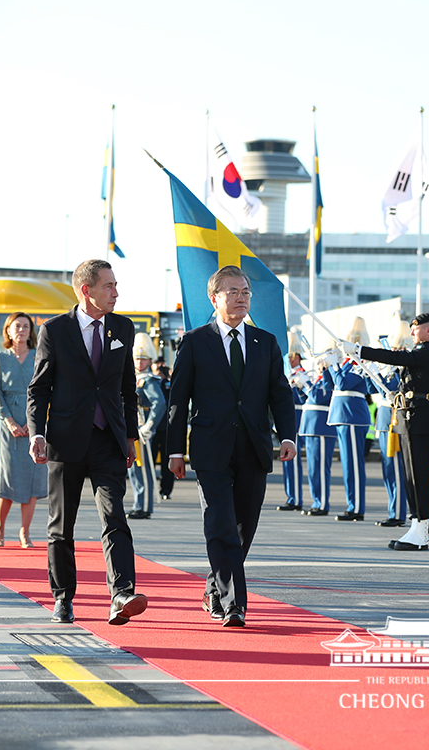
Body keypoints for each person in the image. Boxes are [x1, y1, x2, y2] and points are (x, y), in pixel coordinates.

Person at [166, 265, 297, 628]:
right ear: (214, 298)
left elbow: (280, 394)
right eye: (233, 292)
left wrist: (287, 436)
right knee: (220, 522)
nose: (241, 298)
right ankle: (233, 603)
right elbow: (178, 400)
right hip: (211, 448)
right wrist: (175, 451)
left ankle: (214, 585)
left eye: (245, 292)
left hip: (254, 446)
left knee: (244, 527)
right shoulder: (194, 341)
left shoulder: (265, 342)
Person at [27, 259, 144, 627]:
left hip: (108, 441)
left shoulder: (123, 327)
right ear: (86, 290)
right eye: (109, 286)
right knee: (61, 526)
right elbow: (39, 388)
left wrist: (129, 437)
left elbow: (127, 388)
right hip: (65, 441)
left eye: (116, 285)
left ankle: (121, 594)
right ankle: (63, 598)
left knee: (115, 517)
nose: (116, 292)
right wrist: (37, 433)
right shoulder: (54, 330)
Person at [343, 313, 429, 551]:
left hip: (422, 418)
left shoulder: (428, 351)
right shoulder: (422, 352)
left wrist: (360, 350)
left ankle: (422, 530)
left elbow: (395, 357)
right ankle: (415, 524)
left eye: (415, 330)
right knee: (410, 475)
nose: (411, 334)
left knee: (420, 475)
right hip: (410, 415)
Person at [0, 312, 47, 549]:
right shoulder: (0, 358)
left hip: (34, 424)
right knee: (7, 479)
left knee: (33, 480)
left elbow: (46, 389)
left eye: (26, 326)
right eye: (17, 326)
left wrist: (32, 422)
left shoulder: (39, 356)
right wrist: (10, 421)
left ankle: (25, 531)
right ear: (8, 330)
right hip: (8, 429)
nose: (21, 330)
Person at [328, 317, 371, 521]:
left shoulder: (360, 363)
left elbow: (344, 384)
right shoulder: (347, 363)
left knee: (354, 464)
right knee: (347, 464)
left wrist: (334, 365)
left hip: (352, 415)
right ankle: (352, 505)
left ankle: (357, 508)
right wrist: (330, 365)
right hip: (342, 415)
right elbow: (333, 385)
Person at [370, 321, 413, 527]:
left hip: (396, 420)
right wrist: (373, 371)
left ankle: (398, 514)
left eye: (397, 348)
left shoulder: (404, 368)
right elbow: (372, 388)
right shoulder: (390, 367)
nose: (394, 351)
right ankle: (392, 510)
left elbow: (393, 392)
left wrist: (384, 373)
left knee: (396, 469)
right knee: (388, 471)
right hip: (385, 419)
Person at [128, 333, 164, 520]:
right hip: (131, 429)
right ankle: (138, 503)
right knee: (133, 468)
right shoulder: (133, 378)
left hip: (142, 430)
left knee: (143, 469)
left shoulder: (148, 380)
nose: (140, 362)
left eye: (144, 359)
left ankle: (144, 505)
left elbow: (159, 404)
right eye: (137, 358)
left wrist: (150, 425)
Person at [299, 350, 336, 516]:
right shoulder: (320, 378)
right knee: (313, 469)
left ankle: (322, 504)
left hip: (321, 427)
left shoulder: (329, 380)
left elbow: (317, 397)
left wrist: (306, 384)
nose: (320, 366)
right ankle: (316, 500)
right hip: (310, 426)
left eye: (323, 363)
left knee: (320, 468)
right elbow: (306, 399)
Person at [279, 339, 307, 512]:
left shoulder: (303, 373)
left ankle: (296, 498)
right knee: (286, 461)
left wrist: (295, 386)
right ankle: (291, 495)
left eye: (289, 356)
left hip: (297, 414)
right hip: (287, 414)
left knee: (293, 459)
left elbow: (304, 398)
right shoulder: (287, 373)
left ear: (296, 357)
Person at [151, 357, 175, 500]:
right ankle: (151, 489)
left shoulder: (168, 383)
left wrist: (169, 377)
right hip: (153, 428)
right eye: (157, 365)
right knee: (150, 461)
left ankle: (166, 490)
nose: (159, 368)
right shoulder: (150, 382)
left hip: (167, 428)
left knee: (167, 463)